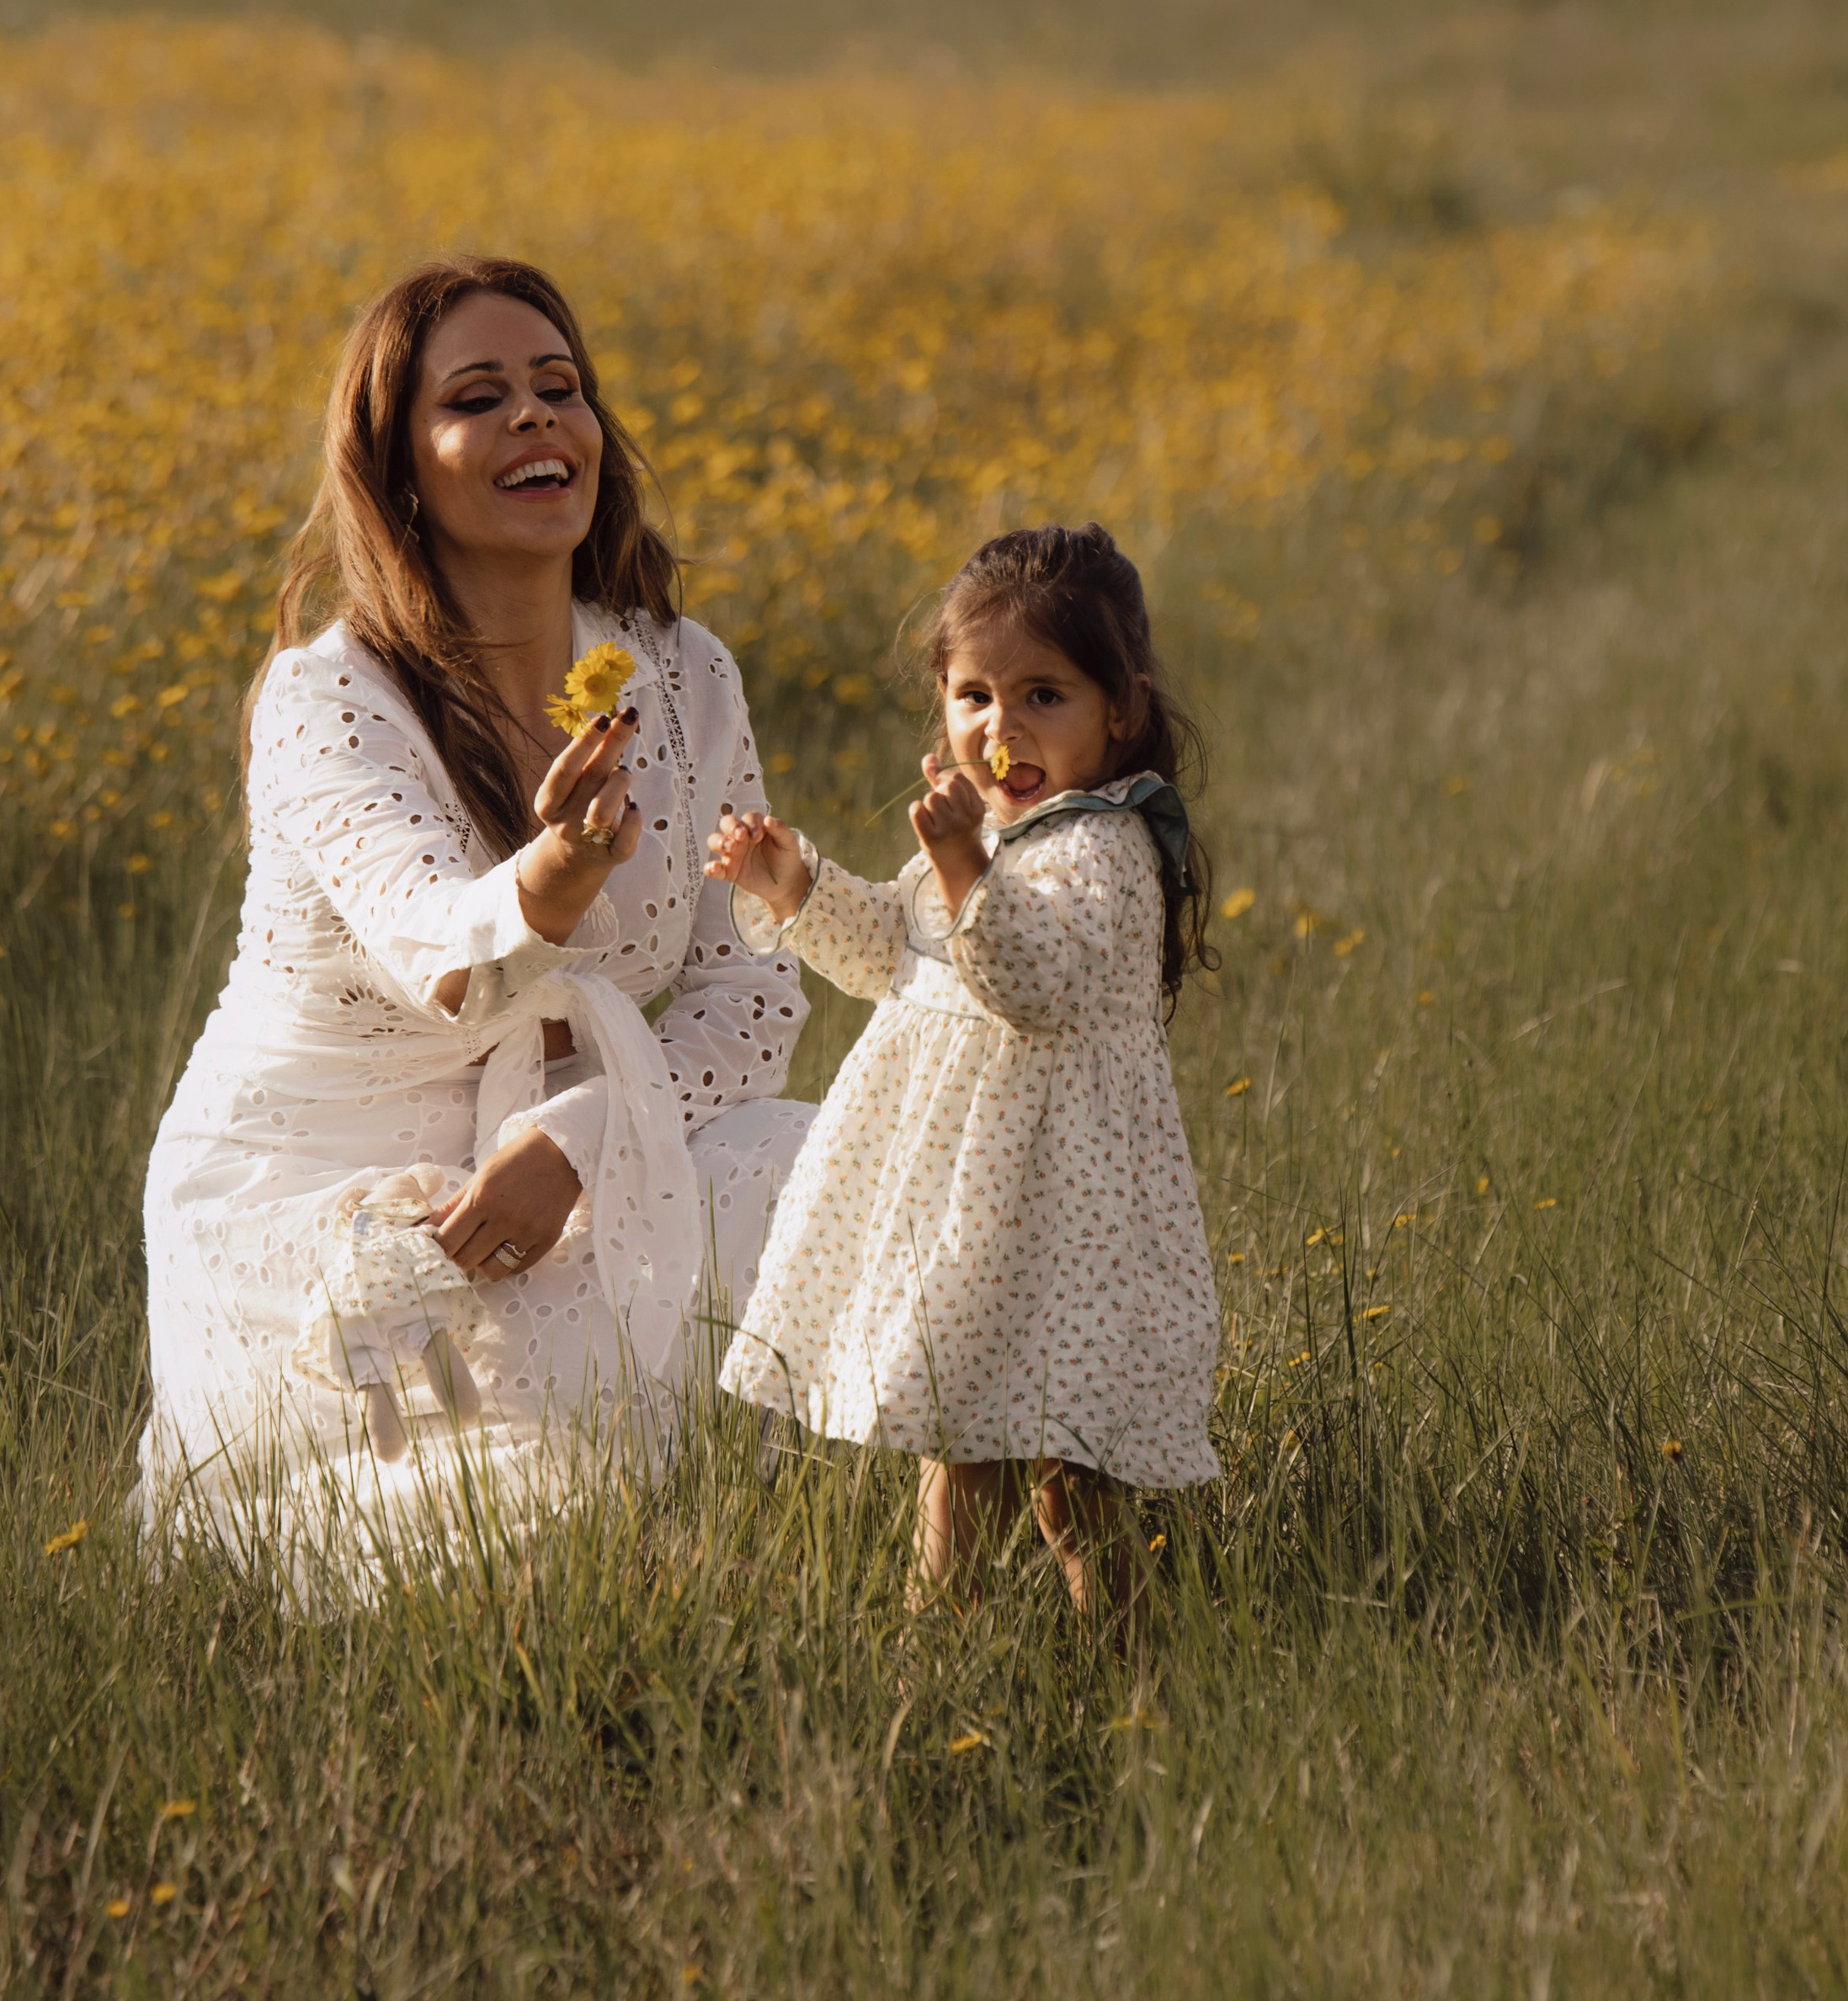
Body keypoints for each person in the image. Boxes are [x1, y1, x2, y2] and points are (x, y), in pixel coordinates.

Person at [138, 256, 811, 1578]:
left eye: (561, 389)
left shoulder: (683, 672)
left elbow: (758, 992)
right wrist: (556, 873)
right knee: (530, 1536)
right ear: (400, 470)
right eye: (480, 398)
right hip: (330, 1194)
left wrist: (591, 1131)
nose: (535, 419)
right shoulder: (328, 699)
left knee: (828, 1160)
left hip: (556, 1165)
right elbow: (443, 951)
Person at [708, 523, 1219, 1615]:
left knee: (1072, 1493)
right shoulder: (989, 829)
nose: (1003, 730)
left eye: (1044, 697)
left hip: (1060, 1224)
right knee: (954, 1453)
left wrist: (961, 860)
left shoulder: (1105, 849)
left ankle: (1128, 1681)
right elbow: (893, 954)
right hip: (963, 1216)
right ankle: (931, 1665)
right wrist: (795, 885)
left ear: (1118, 709)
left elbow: (1028, 979)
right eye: (975, 696)